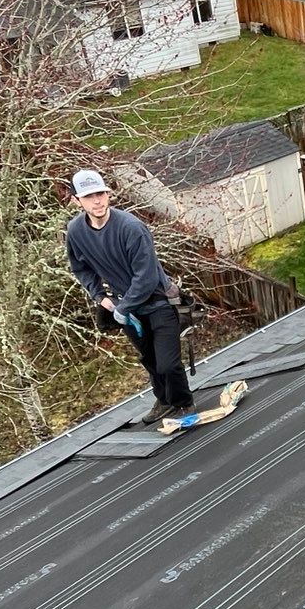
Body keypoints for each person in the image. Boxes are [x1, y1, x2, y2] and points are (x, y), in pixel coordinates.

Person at [65, 170, 195, 424]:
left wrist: (122, 309)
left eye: (100, 194)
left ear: (108, 194)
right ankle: (164, 400)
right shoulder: (75, 232)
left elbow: (145, 278)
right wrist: (100, 296)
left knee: (168, 363)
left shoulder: (131, 228)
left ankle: (183, 403)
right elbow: (80, 268)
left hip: (159, 302)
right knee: (149, 359)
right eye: (89, 196)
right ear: (76, 201)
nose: (97, 201)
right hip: (127, 306)